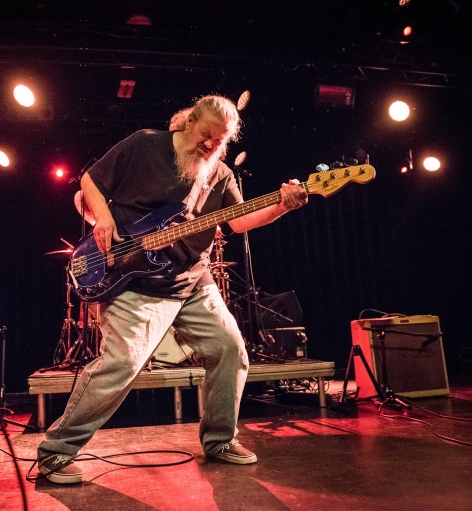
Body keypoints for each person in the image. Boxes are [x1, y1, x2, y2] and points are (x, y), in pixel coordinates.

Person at [37, 94, 308, 484]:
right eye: (207, 136)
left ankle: (219, 440)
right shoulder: (144, 144)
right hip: (135, 279)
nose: (212, 146)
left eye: (221, 141)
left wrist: (283, 206)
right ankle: (56, 451)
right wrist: (103, 221)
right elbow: (90, 180)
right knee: (123, 364)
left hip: (192, 280)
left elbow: (239, 221)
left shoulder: (220, 174)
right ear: (187, 123)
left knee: (230, 349)